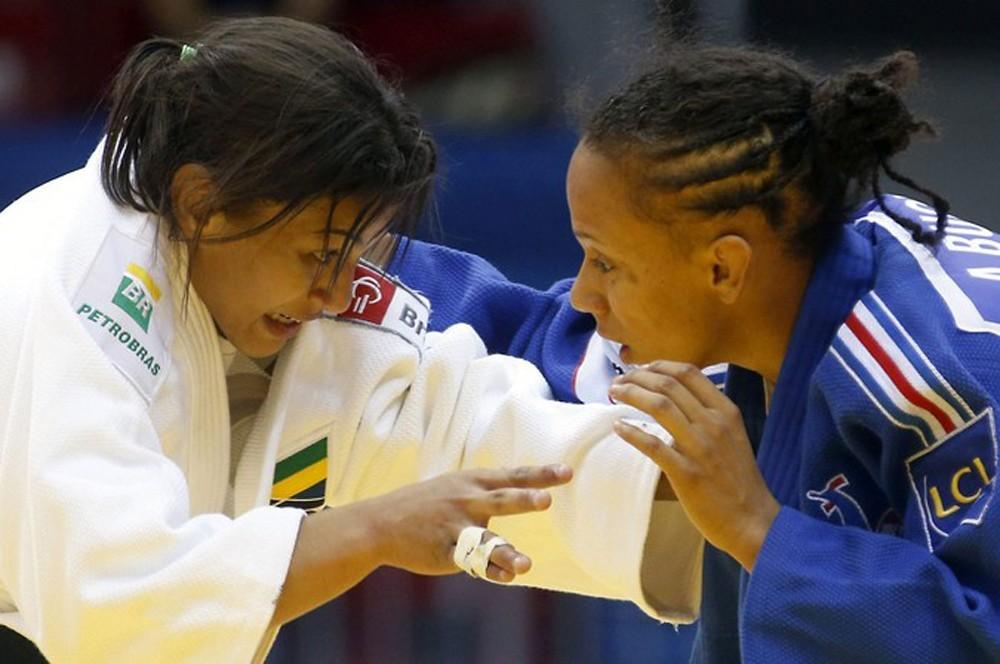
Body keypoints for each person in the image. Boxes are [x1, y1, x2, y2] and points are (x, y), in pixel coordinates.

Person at [0, 17, 706, 662]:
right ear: (199, 204)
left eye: (356, 257)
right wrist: (374, 530)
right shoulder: (82, 294)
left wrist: (728, 508)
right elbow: (112, 604)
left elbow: (454, 429)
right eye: (317, 255)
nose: (338, 293)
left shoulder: (277, 292)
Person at [391, 44, 1000, 661]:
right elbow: (535, 334)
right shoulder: (765, 303)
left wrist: (756, 527)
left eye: (605, 261)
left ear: (722, 268)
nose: (582, 293)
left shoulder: (937, 380)